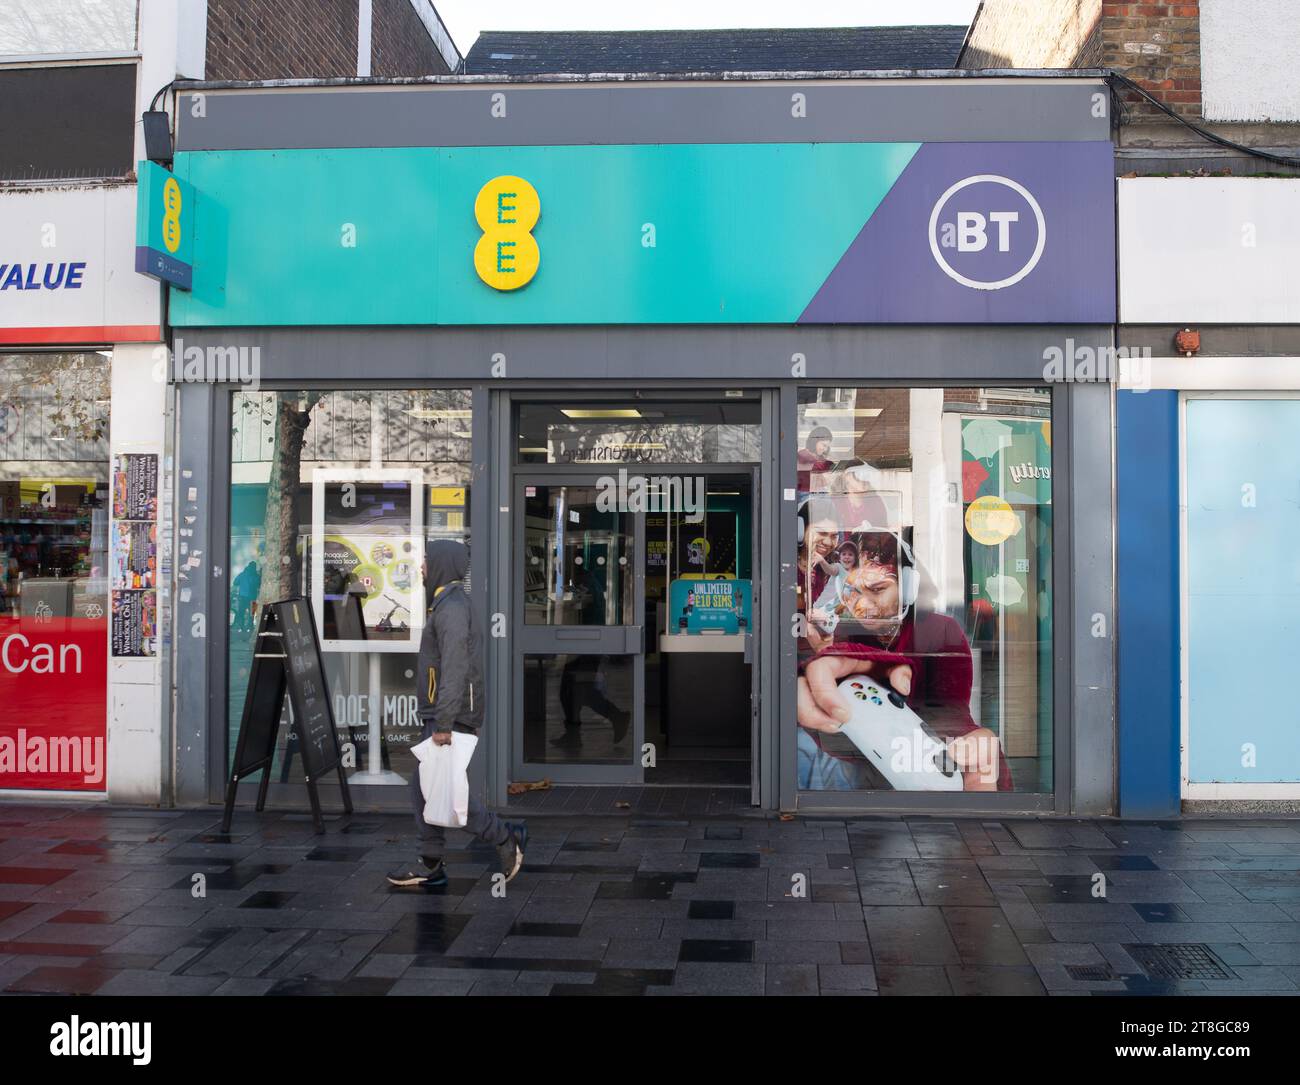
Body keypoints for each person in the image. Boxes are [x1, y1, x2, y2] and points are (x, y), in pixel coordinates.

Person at [796, 525, 1011, 793]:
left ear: (908, 587)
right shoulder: (846, 633)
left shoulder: (941, 629)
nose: (861, 605)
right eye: (852, 592)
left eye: (877, 589)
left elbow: (950, 712)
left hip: (936, 760)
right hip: (878, 765)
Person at [387, 539, 528, 888]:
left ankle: (504, 837)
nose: (420, 565)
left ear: (441, 563)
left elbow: (453, 668)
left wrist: (444, 723)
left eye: (425, 559)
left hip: (448, 715)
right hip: (444, 712)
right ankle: (431, 863)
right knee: (425, 791)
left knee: (446, 795)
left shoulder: (450, 608)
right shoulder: (445, 603)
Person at [797, 425, 834, 493]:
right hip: (804, 495)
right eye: (824, 445)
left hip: (817, 494)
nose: (825, 449)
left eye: (827, 447)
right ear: (815, 441)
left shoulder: (821, 460)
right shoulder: (801, 457)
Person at [231, 560, 260, 633]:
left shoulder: (243, 574)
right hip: (253, 597)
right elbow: (259, 584)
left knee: (241, 612)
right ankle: (250, 627)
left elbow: (235, 582)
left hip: (242, 597)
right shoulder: (256, 576)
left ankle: (241, 627)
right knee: (252, 613)